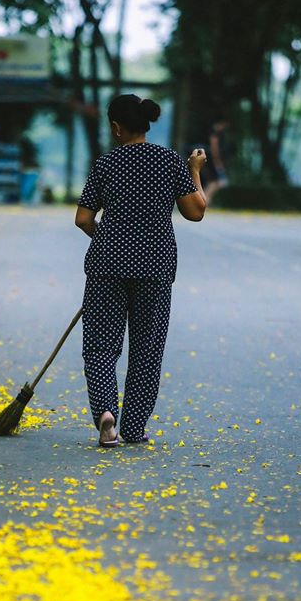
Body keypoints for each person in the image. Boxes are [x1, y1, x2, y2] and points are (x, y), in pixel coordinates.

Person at [75, 94, 207, 447]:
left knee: (100, 347)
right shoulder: (169, 161)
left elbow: (83, 219)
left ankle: (106, 413)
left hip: (107, 265)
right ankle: (133, 428)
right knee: (147, 350)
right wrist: (195, 170)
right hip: (156, 266)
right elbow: (196, 211)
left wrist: (107, 236)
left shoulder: (106, 164)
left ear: (116, 127)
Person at [204, 117, 230, 205]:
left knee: (213, 181)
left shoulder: (217, 135)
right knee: (217, 181)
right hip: (214, 161)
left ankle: (207, 199)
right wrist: (218, 163)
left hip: (213, 160)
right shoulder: (215, 135)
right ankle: (206, 199)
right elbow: (214, 150)